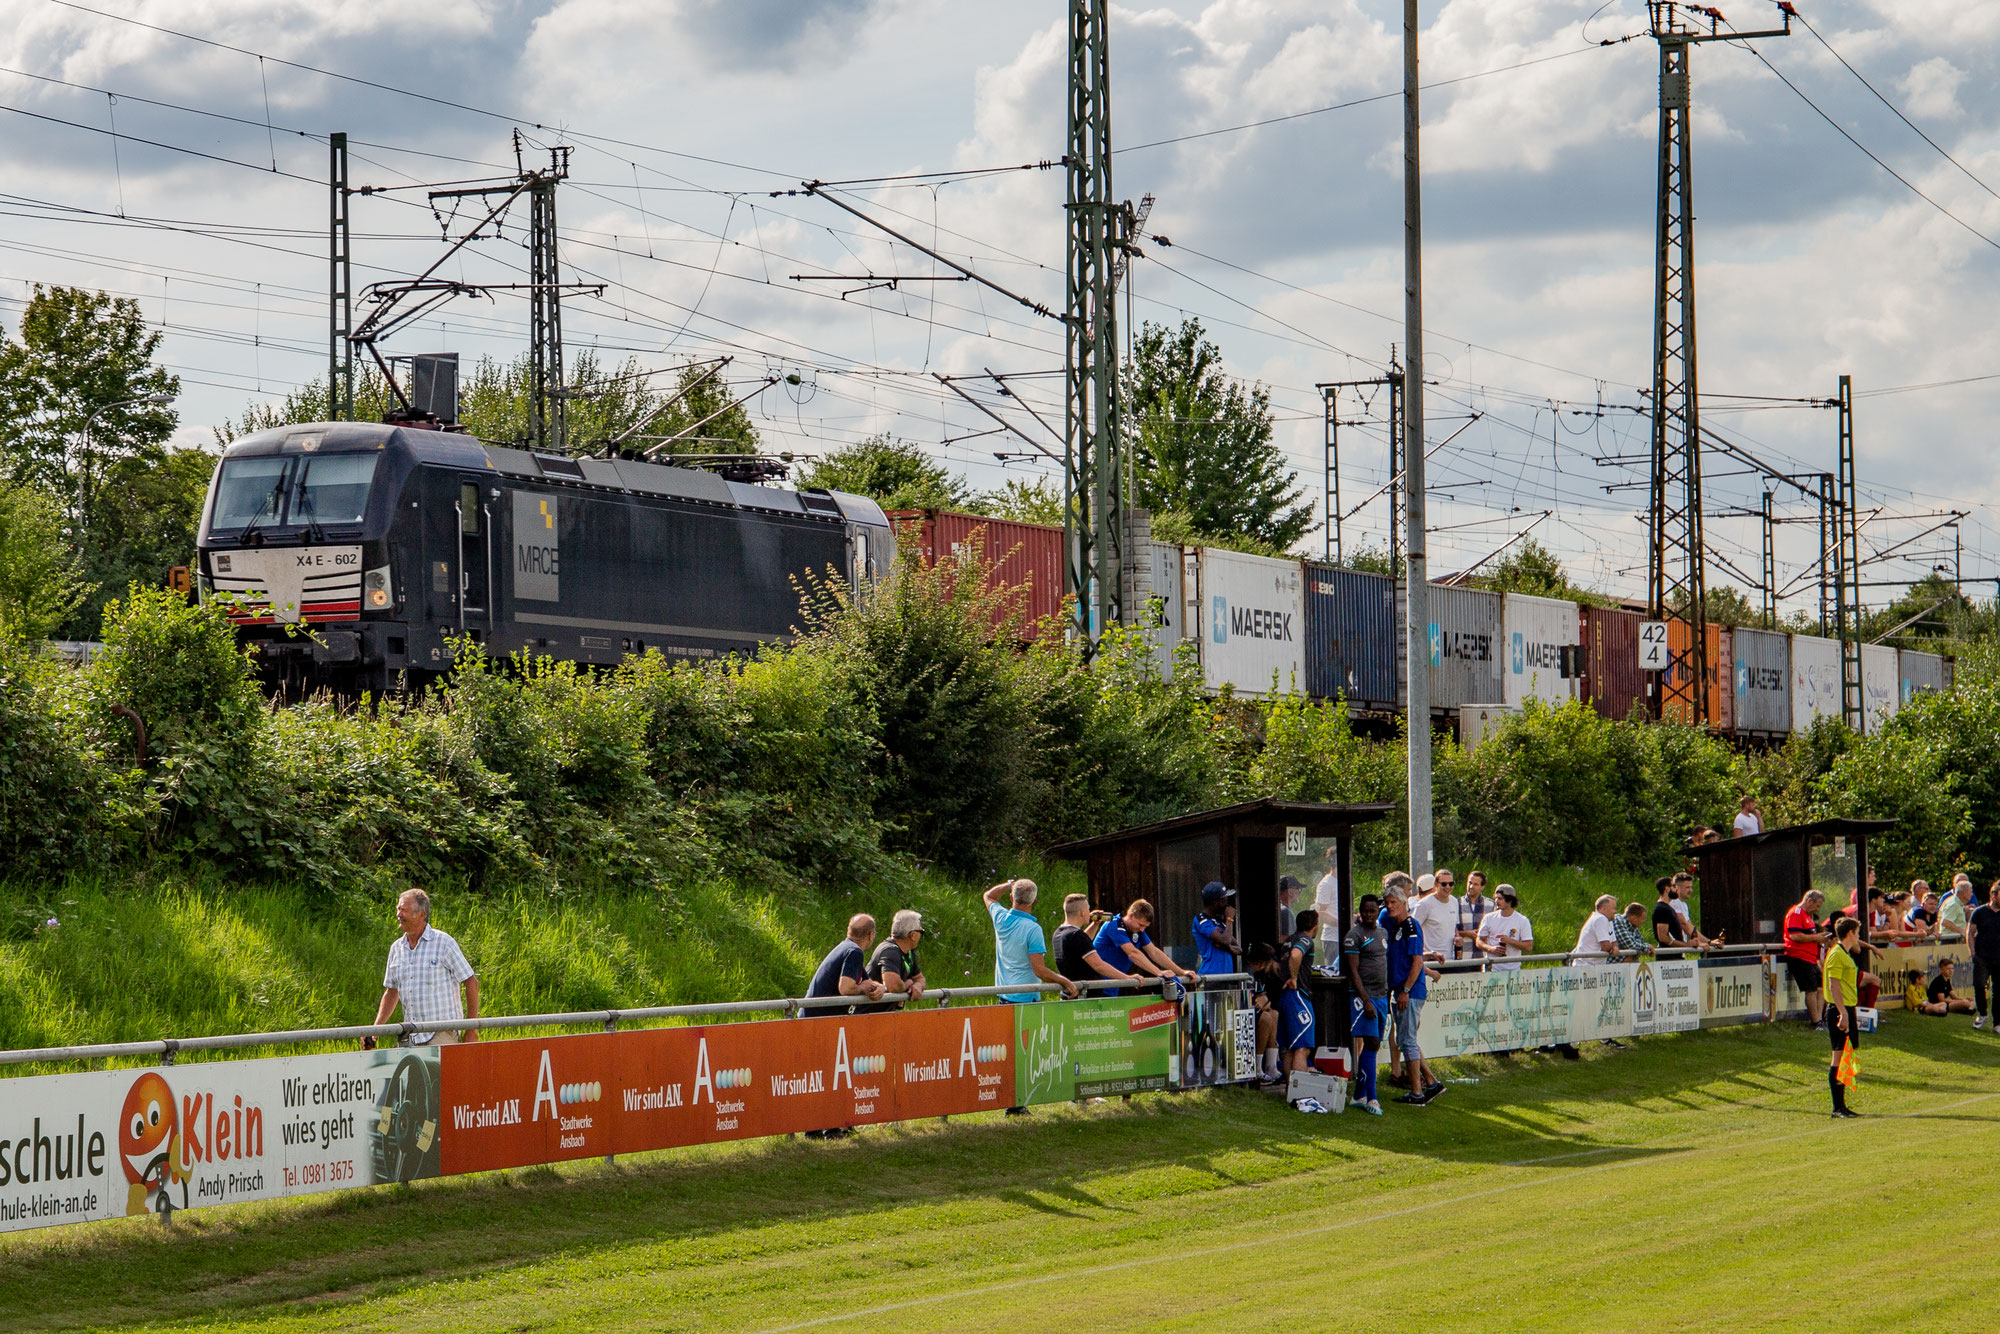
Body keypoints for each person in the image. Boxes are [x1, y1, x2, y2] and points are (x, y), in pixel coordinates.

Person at [367, 888, 478, 1049]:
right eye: (398, 909)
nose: (399, 914)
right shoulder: (397, 948)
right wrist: (375, 1031)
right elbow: (391, 992)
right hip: (410, 1035)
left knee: (435, 1073)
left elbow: (471, 983)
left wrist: (471, 1029)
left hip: (441, 1032)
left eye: (404, 910)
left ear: (421, 914)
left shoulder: (443, 943)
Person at [1383, 885, 1441, 1104]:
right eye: (1387, 903)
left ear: (1404, 903)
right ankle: (1432, 1083)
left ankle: (1417, 1092)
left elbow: (1417, 961)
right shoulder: (1395, 926)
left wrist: (1406, 990)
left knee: (1407, 1041)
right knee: (1405, 1039)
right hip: (1401, 990)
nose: (1389, 907)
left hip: (1409, 992)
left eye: (1393, 903)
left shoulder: (1410, 926)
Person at [984, 879, 1077, 1005]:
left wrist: (1008, 885)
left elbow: (989, 896)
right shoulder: (1033, 929)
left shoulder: (1001, 918)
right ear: (1034, 901)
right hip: (1025, 997)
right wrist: (1066, 982)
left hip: (1004, 995)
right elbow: (1039, 970)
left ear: (1011, 897)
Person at [1342, 893, 1389, 1116]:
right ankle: (1372, 1098)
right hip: (1363, 998)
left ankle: (1358, 1095)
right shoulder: (1354, 936)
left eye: (1372, 911)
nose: (1369, 915)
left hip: (1381, 996)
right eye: (1365, 911)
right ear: (1360, 911)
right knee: (1370, 1043)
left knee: (1375, 1045)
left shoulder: (1382, 933)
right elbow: (1353, 970)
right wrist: (1365, 999)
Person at [1091, 899, 1194, 995]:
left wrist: (1181, 972)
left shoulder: (1137, 931)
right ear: (1131, 915)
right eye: (1140, 925)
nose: (1142, 930)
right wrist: (1158, 972)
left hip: (1112, 987)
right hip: (1096, 985)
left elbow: (1154, 952)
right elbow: (1133, 953)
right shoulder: (1113, 924)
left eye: (1145, 926)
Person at [1822, 918, 1864, 1118]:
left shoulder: (1845, 954)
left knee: (1847, 1054)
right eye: (1857, 932)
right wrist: (1843, 1012)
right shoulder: (1836, 955)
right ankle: (1837, 1107)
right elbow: (1833, 985)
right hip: (1840, 1009)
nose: (1858, 937)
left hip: (1848, 1007)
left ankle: (1842, 1105)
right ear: (1850, 933)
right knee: (1838, 1056)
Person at [808, 914, 888, 1013]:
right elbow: (846, 989)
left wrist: (880, 987)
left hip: (814, 1014)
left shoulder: (846, 948)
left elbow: (867, 981)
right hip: (818, 1018)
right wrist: (862, 988)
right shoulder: (854, 952)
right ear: (871, 935)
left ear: (848, 931)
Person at [1052, 896, 1129, 991]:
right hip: (1085, 995)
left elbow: (1082, 945)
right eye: (1088, 909)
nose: (1090, 912)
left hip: (1070, 990)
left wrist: (1095, 924)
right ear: (1082, 912)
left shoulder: (1059, 933)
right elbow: (1099, 965)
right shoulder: (1077, 935)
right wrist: (1127, 978)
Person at [1278, 910, 1320, 1078]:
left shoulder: (1288, 940)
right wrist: (1294, 977)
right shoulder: (1305, 939)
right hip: (1297, 995)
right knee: (1303, 1047)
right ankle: (1301, 1093)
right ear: (1314, 925)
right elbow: (1296, 955)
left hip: (1285, 997)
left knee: (1289, 1047)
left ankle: (1291, 1092)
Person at [1783, 890, 1832, 1025]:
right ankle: (1815, 1021)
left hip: (1810, 958)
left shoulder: (1807, 916)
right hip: (1800, 957)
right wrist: (1815, 938)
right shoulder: (1796, 913)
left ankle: (1820, 1018)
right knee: (1810, 990)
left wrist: (1819, 938)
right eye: (1817, 905)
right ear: (1810, 901)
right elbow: (1795, 936)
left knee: (1821, 988)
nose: (1818, 909)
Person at [867, 910, 927, 1010]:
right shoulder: (890, 951)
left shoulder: (909, 952)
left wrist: (917, 985)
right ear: (912, 935)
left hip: (884, 1014)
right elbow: (893, 986)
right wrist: (907, 984)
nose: (921, 935)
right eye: (921, 932)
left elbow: (920, 978)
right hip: (866, 1013)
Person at [1476, 886, 1533, 969]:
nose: (1496, 901)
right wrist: (1491, 949)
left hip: (1512, 970)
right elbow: (1479, 941)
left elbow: (1528, 947)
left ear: (1510, 900)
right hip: (1491, 969)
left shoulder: (1522, 920)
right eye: (1495, 898)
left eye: (1500, 898)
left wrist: (1509, 941)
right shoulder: (1489, 918)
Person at [1410, 869, 1459, 965]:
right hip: (1431, 961)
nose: (1448, 887)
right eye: (1444, 884)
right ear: (1436, 884)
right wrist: (1426, 953)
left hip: (1450, 960)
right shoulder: (1424, 904)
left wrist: (1457, 937)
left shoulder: (1454, 901)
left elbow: (1453, 926)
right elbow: (1412, 930)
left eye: (1451, 883)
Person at [1192, 882, 1242, 976]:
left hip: (1226, 975)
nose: (1227, 905)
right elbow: (1225, 940)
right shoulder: (1202, 920)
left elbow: (1239, 949)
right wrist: (1229, 919)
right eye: (1224, 901)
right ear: (1215, 902)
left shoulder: (1219, 921)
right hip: (1211, 974)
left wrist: (1228, 948)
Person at [1970, 884, 2000, 1031]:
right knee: (1979, 984)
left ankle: (1997, 1022)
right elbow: (1970, 932)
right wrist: (1972, 952)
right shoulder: (1980, 912)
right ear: (1993, 895)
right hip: (1982, 956)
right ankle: (1982, 1013)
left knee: (1998, 990)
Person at [1454, 871, 1493, 961]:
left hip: (1483, 957)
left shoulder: (1491, 905)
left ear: (1482, 887)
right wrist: (1466, 933)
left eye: (1475, 884)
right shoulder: (1456, 904)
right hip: (1462, 956)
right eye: (1470, 883)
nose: (1471, 886)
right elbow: (1449, 930)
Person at [1572, 895, 1622, 964]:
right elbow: (1605, 946)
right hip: (1585, 966)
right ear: (1604, 908)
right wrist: (1613, 948)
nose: (1615, 911)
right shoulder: (1600, 919)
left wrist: (1615, 947)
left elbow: (1614, 941)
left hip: (1595, 967)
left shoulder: (1608, 921)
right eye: (1614, 908)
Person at [1313, 845, 1341, 943]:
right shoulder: (1326, 884)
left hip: (1343, 936)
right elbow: (1320, 913)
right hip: (1331, 939)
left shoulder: (1341, 882)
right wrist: (1342, 923)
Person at [1276, 876, 1302, 940]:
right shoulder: (1286, 912)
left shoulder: (1280, 909)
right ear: (1290, 892)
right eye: (1299, 889)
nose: (1299, 893)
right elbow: (1285, 939)